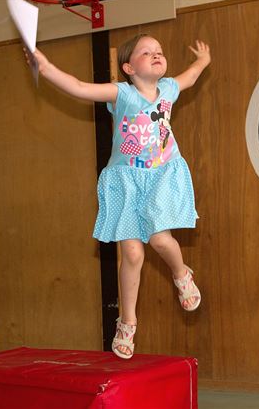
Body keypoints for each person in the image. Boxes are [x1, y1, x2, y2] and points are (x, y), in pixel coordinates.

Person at [26, 34, 211, 359]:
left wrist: (203, 60)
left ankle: (182, 274)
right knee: (133, 254)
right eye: (146, 52)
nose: (156, 55)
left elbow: (192, 76)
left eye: (160, 51)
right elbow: (80, 88)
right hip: (126, 180)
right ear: (129, 67)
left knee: (160, 240)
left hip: (160, 175)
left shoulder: (168, 88)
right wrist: (47, 67)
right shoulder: (122, 93)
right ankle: (127, 321)